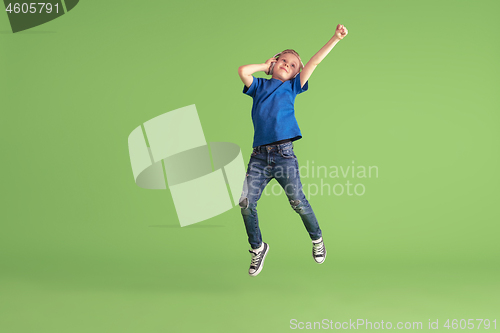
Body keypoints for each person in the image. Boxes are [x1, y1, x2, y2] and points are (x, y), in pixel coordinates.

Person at [238, 24, 348, 276]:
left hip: (284, 155)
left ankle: (317, 238)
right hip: (259, 157)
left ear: (295, 74)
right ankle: (257, 248)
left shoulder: (292, 87)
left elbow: (314, 62)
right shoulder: (259, 87)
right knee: (245, 202)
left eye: (292, 65)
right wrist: (264, 66)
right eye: (283, 60)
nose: (287, 65)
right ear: (274, 62)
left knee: (297, 202)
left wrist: (335, 38)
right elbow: (243, 70)